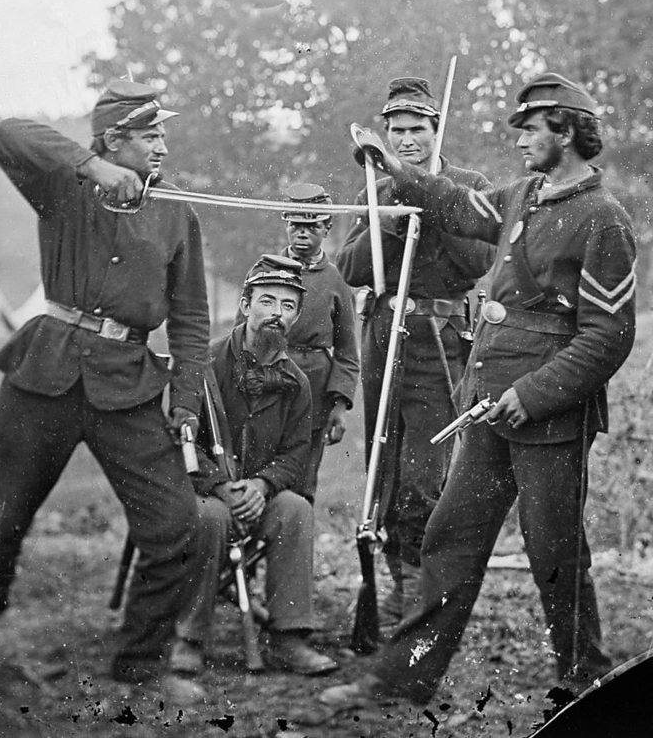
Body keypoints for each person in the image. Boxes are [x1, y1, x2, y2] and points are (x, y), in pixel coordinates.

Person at [321, 72, 636, 708]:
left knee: (554, 555)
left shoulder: (603, 218)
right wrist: (389, 167)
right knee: (450, 539)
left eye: (531, 129)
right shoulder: (524, 195)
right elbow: (454, 205)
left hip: (546, 415)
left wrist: (534, 394)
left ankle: (584, 683)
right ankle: (401, 678)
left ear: (569, 132)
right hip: (489, 408)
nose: (518, 139)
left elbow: (607, 338)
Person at [0, 79, 211, 705]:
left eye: (163, 134)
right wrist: (90, 167)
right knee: (3, 518)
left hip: (129, 384)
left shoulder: (176, 210)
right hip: (47, 372)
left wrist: (189, 399)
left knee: (176, 525)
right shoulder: (63, 185)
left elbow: (192, 319)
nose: (162, 146)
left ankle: (142, 662)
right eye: (150, 135)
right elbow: (9, 132)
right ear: (113, 140)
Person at [336, 77, 494, 624]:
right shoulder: (370, 188)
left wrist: (421, 193)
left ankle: (420, 603)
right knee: (384, 470)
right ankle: (392, 592)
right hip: (383, 338)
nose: (406, 140)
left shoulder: (466, 184)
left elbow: (476, 263)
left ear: (436, 130)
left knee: (425, 475)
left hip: (439, 342)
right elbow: (351, 269)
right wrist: (389, 214)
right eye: (396, 131)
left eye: (416, 130)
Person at [169, 254, 339, 677]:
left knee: (296, 510)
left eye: (287, 307)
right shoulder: (204, 366)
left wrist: (263, 486)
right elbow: (180, 443)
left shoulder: (297, 382)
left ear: (297, 316)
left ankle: (289, 637)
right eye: (267, 302)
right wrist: (221, 486)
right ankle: (189, 637)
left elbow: (297, 455)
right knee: (210, 519)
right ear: (245, 305)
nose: (275, 315)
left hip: (258, 496)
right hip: (206, 494)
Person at [234, 183, 359, 502]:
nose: (302, 233)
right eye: (295, 226)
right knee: (253, 469)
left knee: (302, 476)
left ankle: (294, 541)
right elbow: (240, 330)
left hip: (313, 390)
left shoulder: (338, 279)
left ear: (327, 228)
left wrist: (340, 405)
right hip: (264, 382)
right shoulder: (263, 271)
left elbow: (347, 352)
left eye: (312, 226)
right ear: (286, 226)